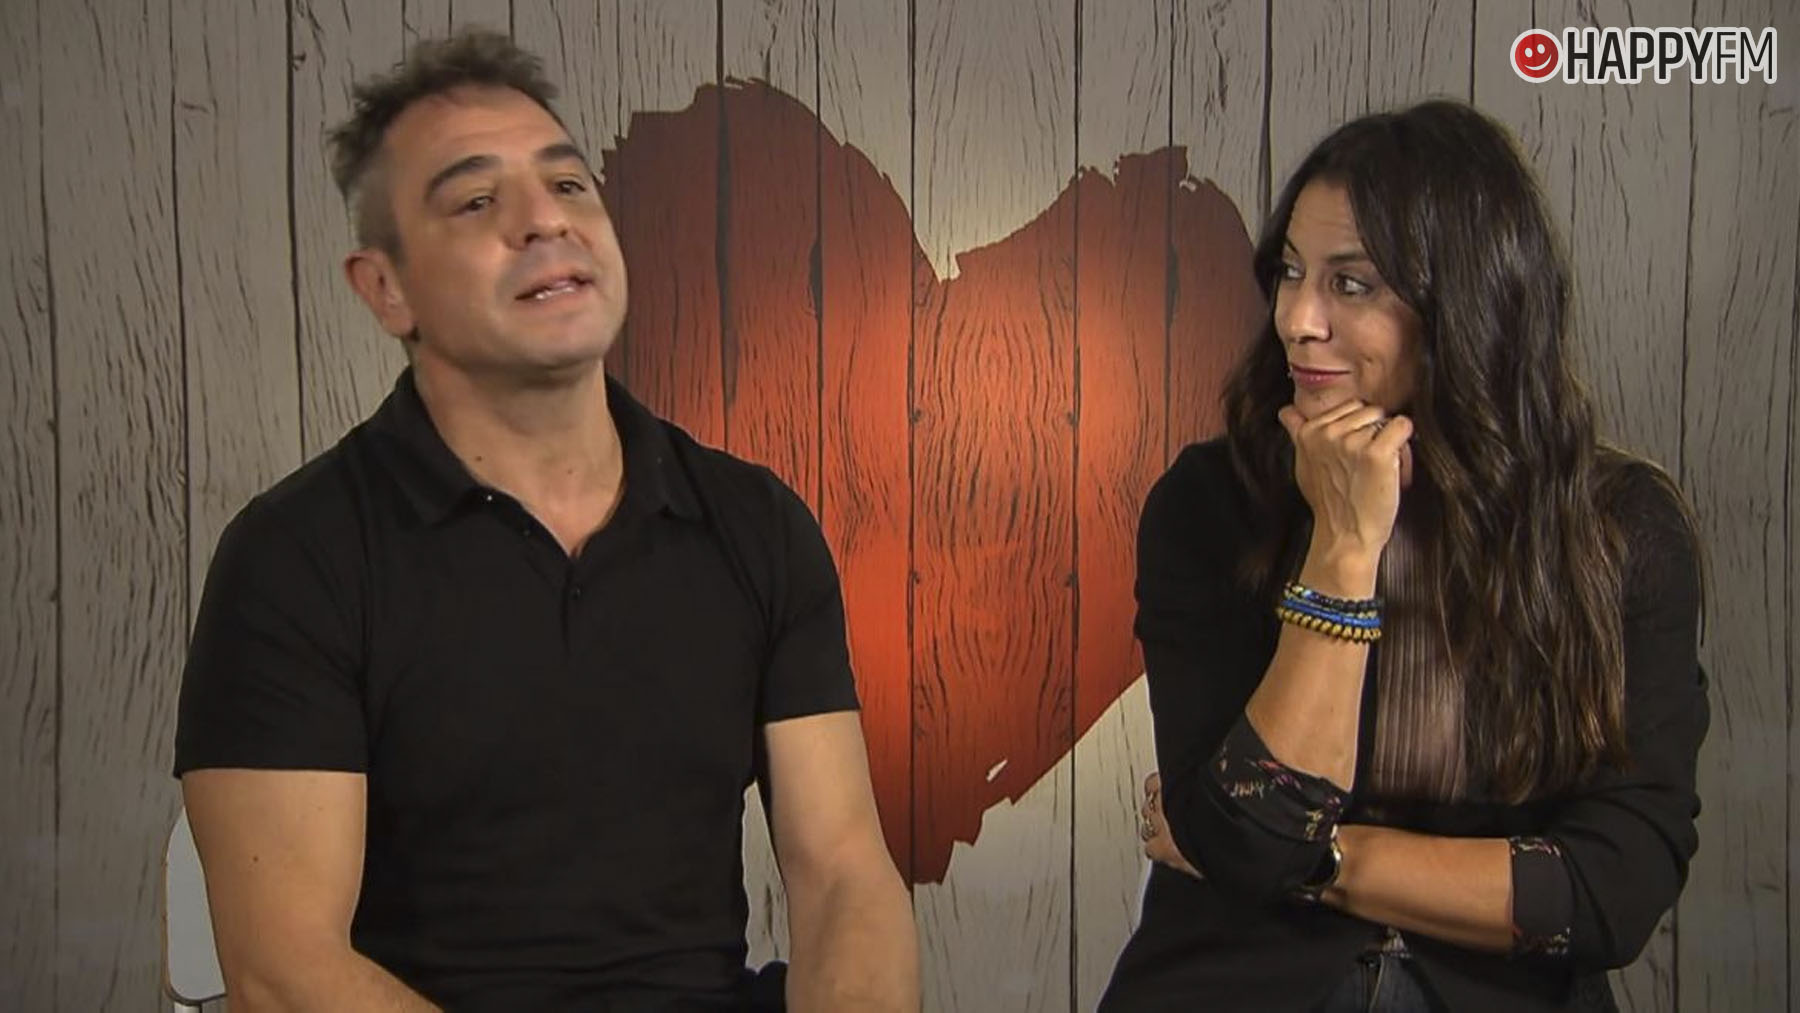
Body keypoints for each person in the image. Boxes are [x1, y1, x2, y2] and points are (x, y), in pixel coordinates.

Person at [174, 29, 917, 1012]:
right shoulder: (294, 557)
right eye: (477, 201)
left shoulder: (756, 524)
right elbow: (284, 970)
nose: (545, 220)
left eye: (568, 184)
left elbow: (844, 872)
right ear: (386, 288)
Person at [1100, 100, 1706, 1011]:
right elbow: (1251, 836)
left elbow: (1609, 890)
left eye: (1351, 284)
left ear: (1466, 303)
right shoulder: (1207, 503)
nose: (1298, 319)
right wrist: (1344, 549)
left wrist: (1326, 860)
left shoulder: (1617, 528)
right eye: (1291, 272)